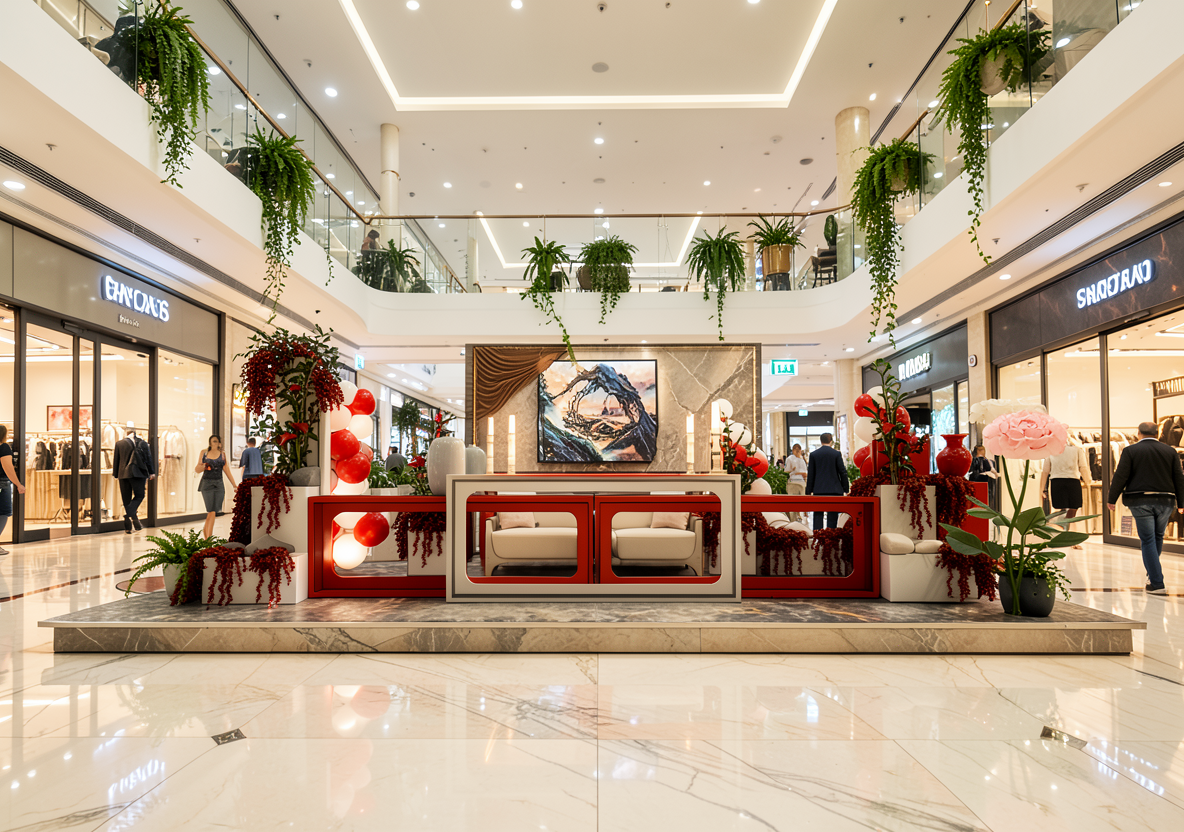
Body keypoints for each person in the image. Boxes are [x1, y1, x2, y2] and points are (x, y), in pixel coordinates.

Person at [1107, 421, 1184, 595]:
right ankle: (1152, 575)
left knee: (1148, 539)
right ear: (1157, 434)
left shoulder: (1131, 451)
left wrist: (1112, 498)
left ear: (1138, 433)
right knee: (1157, 537)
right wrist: (1182, 502)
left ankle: (1157, 583)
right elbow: (1179, 478)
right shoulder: (1170, 451)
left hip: (1140, 500)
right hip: (1166, 501)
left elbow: (1121, 475)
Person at [1040, 436, 1092, 549]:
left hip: (1057, 482)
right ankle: (1069, 538)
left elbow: (1045, 471)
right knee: (1072, 510)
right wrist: (1088, 481)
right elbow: (1083, 467)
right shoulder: (1077, 450)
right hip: (1073, 481)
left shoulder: (1051, 451)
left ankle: (1058, 536)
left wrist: (1042, 488)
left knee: (1058, 510)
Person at [112, 428, 156, 534]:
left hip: (123, 474)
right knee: (140, 495)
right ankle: (128, 515)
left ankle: (129, 526)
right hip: (138, 473)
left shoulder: (119, 443)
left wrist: (116, 474)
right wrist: (151, 472)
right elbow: (148, 458)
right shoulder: (142, 443)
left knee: (126, 499)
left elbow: (116, 460)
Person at [196, 434, 237, 538]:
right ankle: (208, 537)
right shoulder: (204, 453)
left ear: (219, 443)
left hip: (219, 484)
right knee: (211, 510)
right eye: (212, 441)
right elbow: (197, 469)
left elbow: (226, 470)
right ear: (209, 443)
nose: (213, 443)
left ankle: (207, 535)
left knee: (213, 511)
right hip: (207, 483)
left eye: (215, 441)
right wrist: (204, 466)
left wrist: (234, 485)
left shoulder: (222, 455)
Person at [805, 433, 849, 530]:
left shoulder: (814, 455)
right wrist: (845, 488)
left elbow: (811, 474)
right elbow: (842, 472)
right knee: (832, 517)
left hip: (818, 490)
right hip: (834, 490)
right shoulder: (836, 454)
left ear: (821, 441)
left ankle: (818, 535)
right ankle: (830, 536)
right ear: (831, 441)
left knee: (818, 515)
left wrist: (808, 491)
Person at [0, 425, 25, 555]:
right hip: (2, 483)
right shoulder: (3, 447)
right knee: (4, 512)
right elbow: (7, 467)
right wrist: (18, 484)